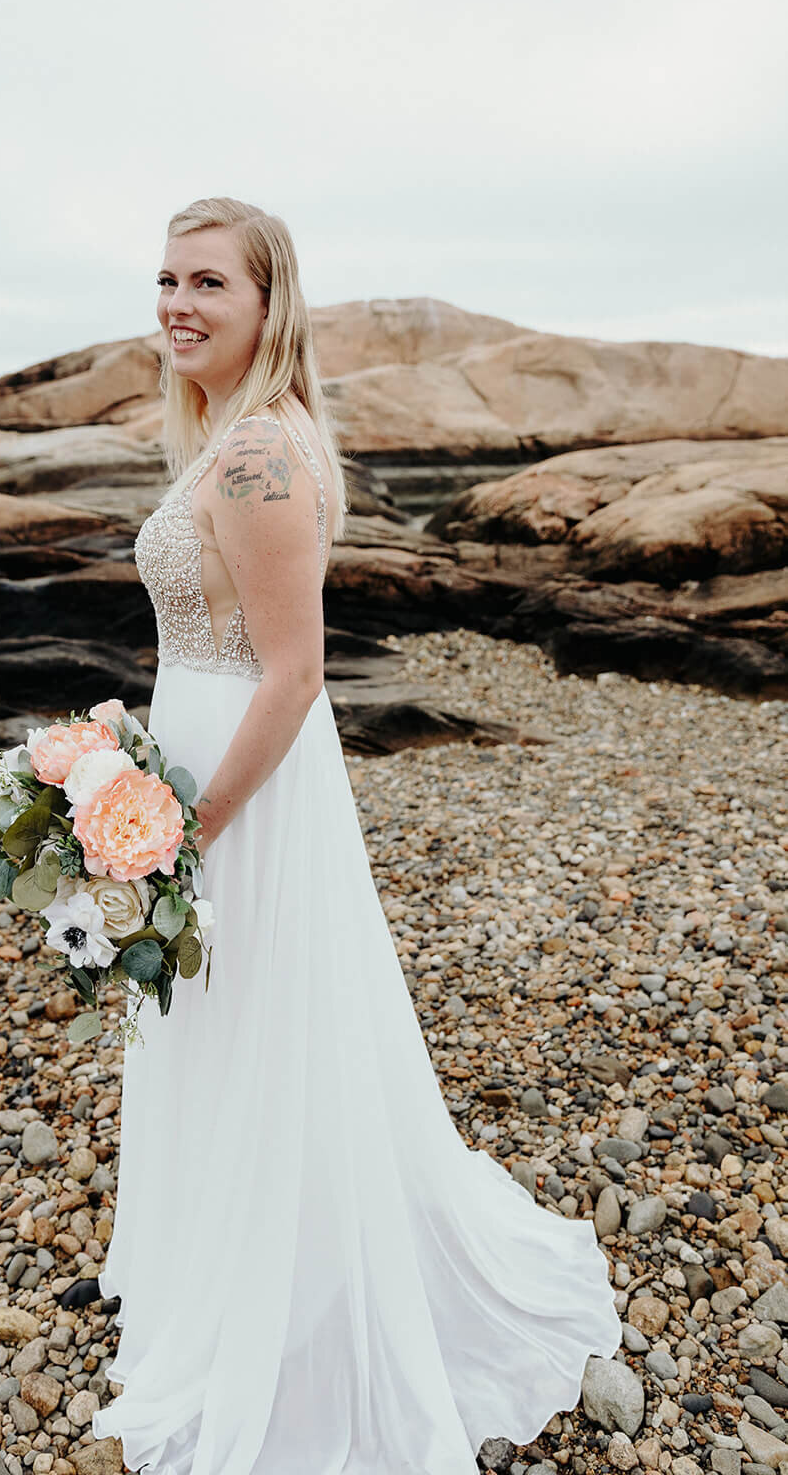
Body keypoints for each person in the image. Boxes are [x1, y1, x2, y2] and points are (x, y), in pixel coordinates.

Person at [81, 196, 622, 1473]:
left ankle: (295, 1310)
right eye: (165, 277)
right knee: (231, 1027)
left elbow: (294, 673)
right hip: (196, 759)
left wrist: (188, 827)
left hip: (242, 791)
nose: (177, 302)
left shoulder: (262, 454)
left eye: (208, 282)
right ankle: (233, 1264)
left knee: (267, 1025)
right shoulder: (231, 439)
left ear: (268, 305)